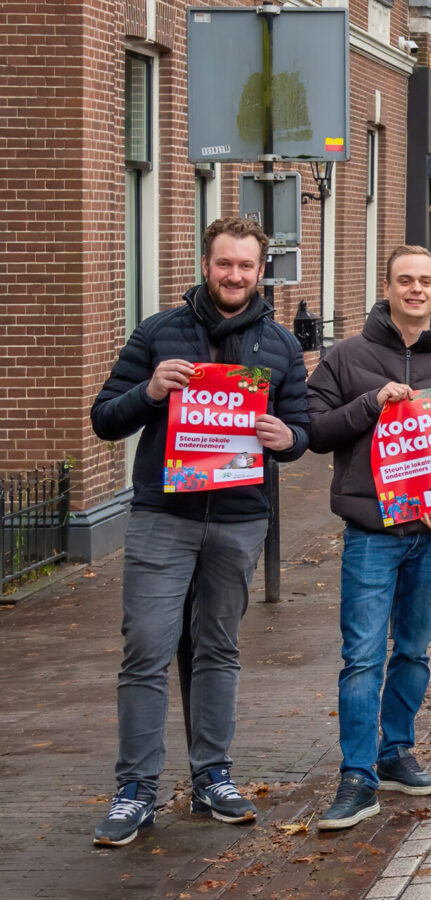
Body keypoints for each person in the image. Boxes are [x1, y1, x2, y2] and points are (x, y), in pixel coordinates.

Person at [89, 216, 311, 846]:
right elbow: (105, 417)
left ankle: (212, 773)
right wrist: (151, 391)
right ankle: (136, 788)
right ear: (205, 264)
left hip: (239, 522)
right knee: (146, 649)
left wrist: (287, 438)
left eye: (246, 265)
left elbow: (302, 430)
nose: (234, 275)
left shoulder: (281, 348)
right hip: (165, 517)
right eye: (224, 264)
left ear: (260, 269)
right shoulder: (159, 333)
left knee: (218, 650)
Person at [305, 246, 431, 829]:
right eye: (404, 280)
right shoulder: (346, 356)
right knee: (361, 657)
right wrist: (370, 403)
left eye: (426, 282)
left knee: (412, 651)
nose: (415, 290)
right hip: (371, 532)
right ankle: (356, 776)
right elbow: (314, 431)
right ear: (386, 287)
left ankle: (396, 753)